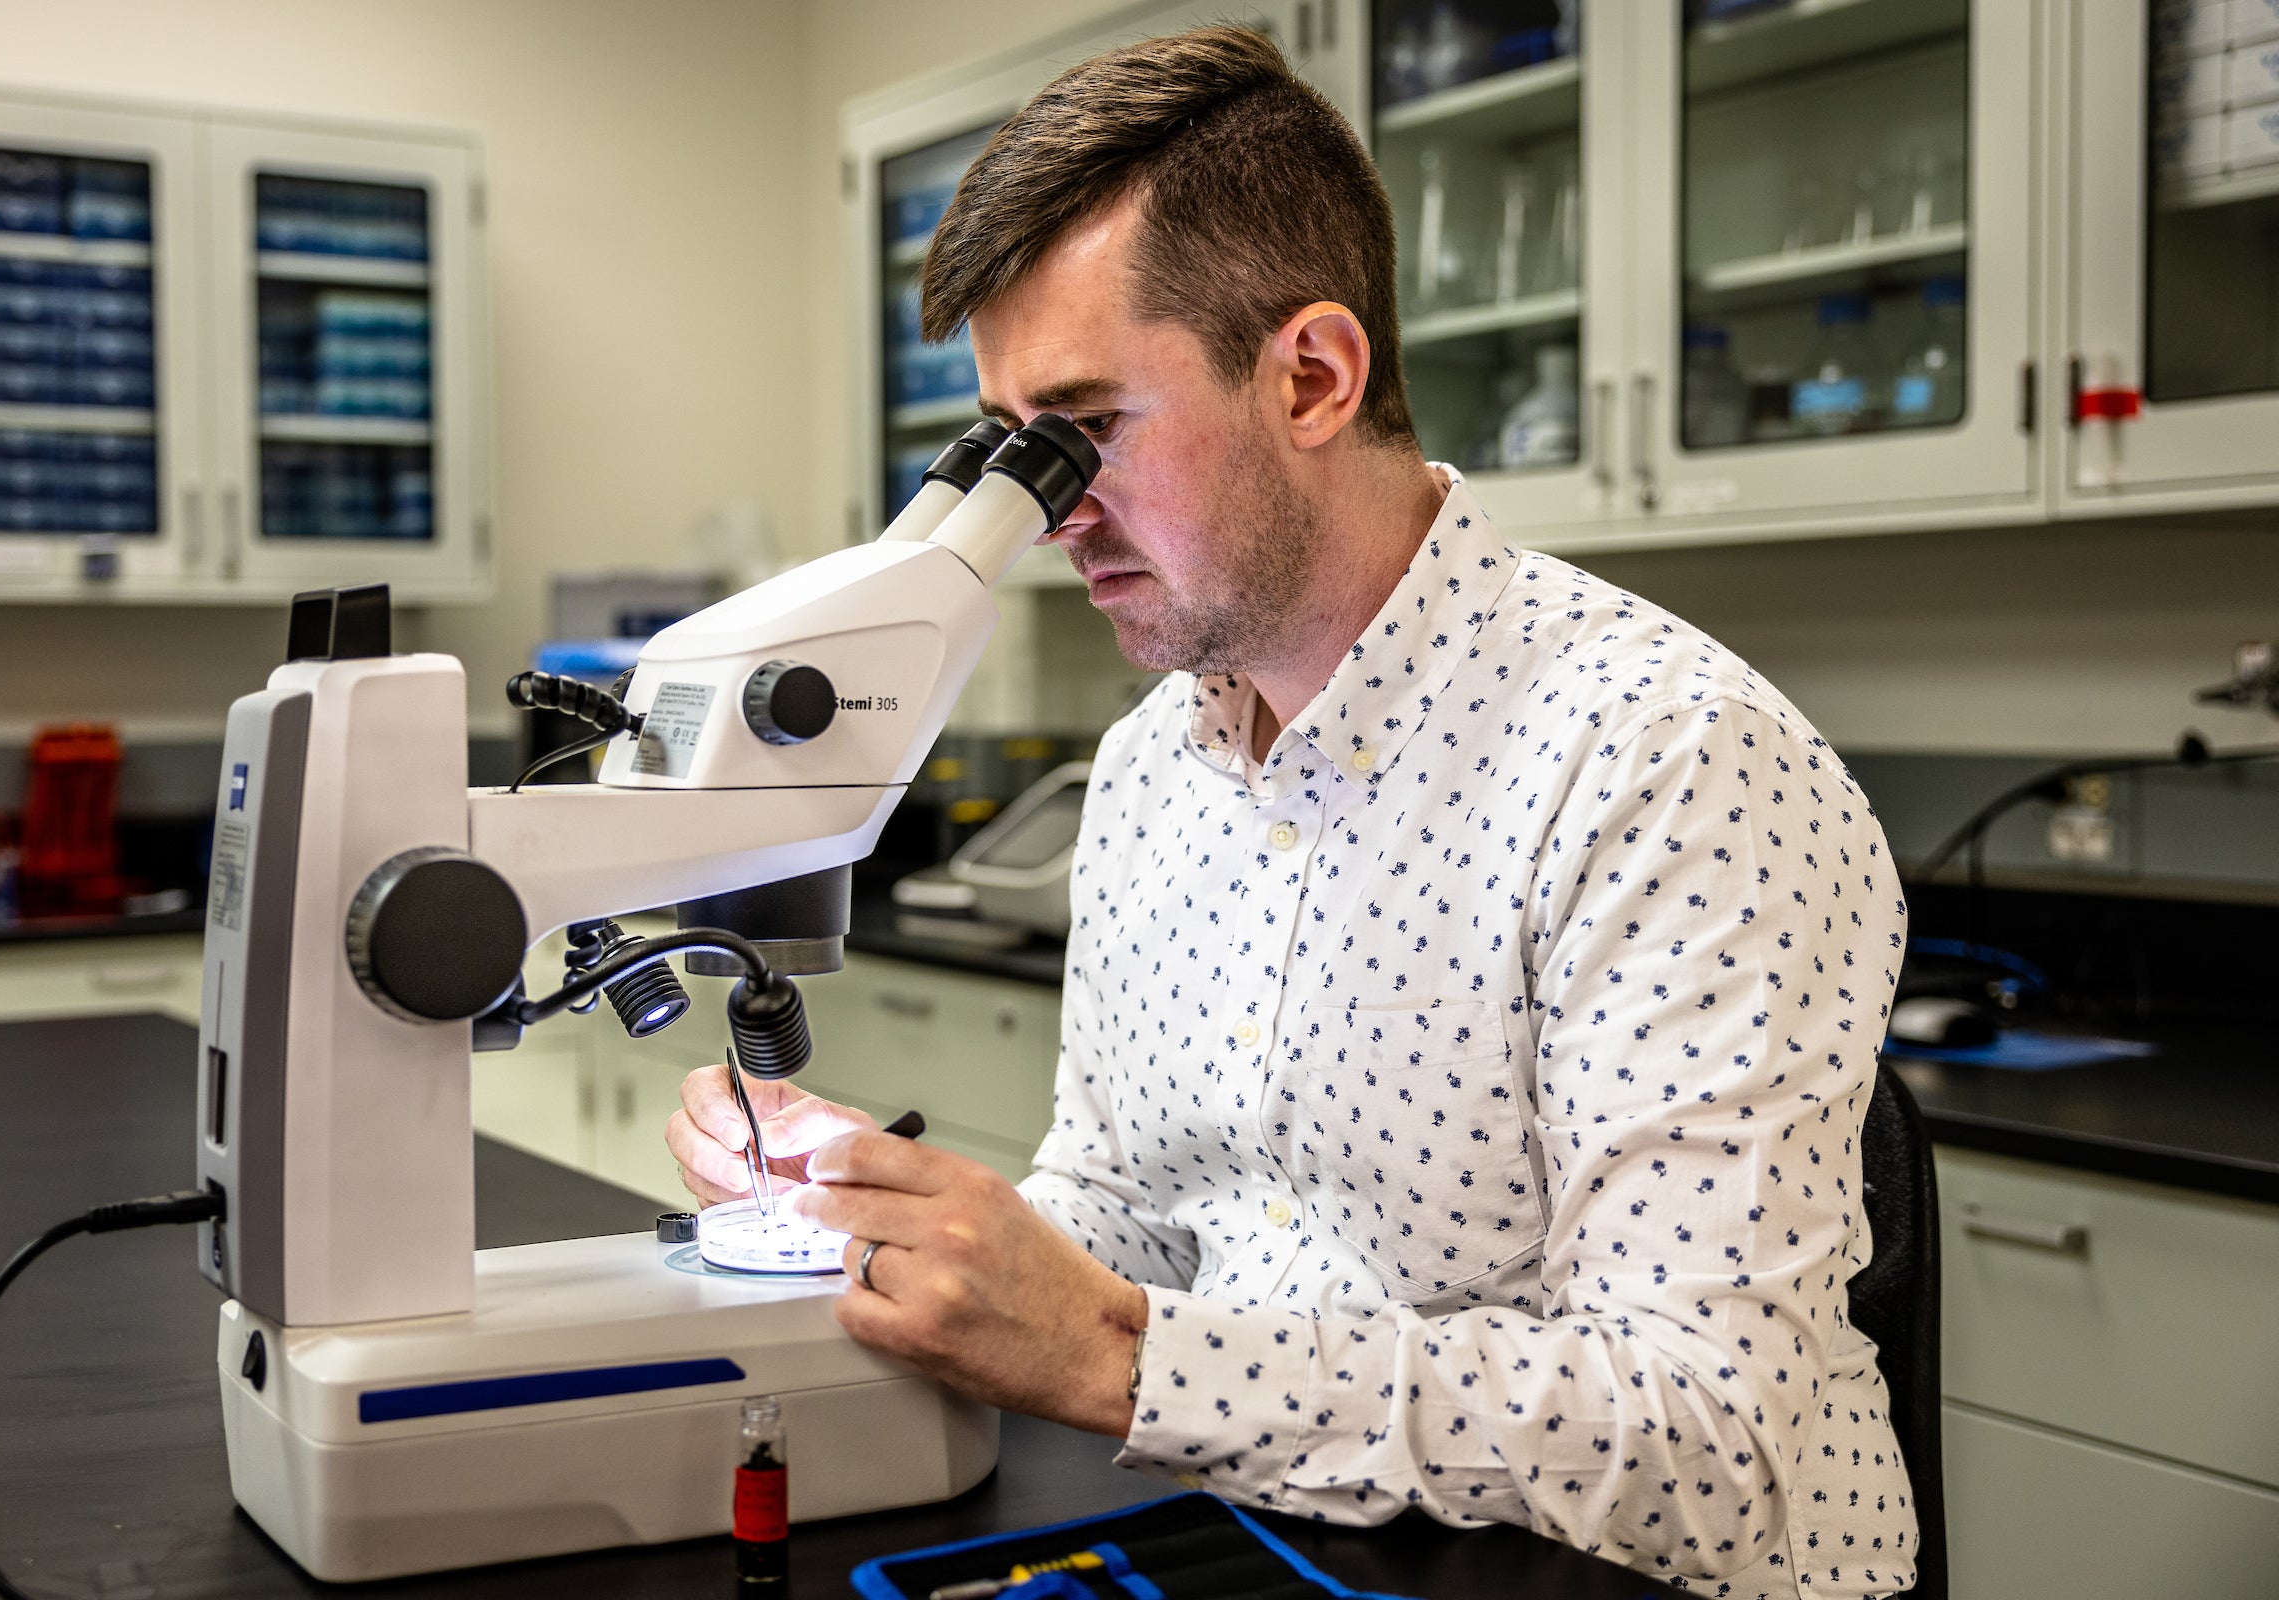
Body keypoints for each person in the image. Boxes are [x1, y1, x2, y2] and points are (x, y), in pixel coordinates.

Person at [670, 26, 1915, 1599]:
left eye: (1080, 430)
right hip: (1277, 1530)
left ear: (1313, 375)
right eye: (1005, 446)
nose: (1043, 515)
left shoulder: (1670, 766)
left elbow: (1706, 1447)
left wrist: (1123, 1360)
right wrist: (909, 1223)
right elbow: (1135, 1213)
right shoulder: (1150, 769)